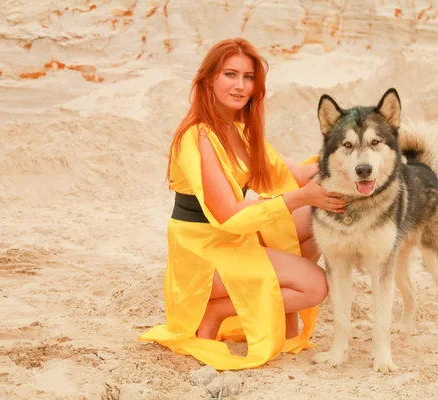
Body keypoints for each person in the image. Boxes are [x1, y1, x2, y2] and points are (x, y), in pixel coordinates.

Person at [139, 38, 347, 370]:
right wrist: (298, 198)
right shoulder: (198, 136)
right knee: (316, 284)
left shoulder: (240, 129)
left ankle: (283, 317)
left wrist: (355, 157)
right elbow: (228, 214)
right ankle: (216, 309)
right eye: (230, 75)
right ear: (209, 79)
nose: (240, 86)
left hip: (231, 240)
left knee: (314, 216)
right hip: (202, 255)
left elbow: (296, 174)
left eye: (248, 77)